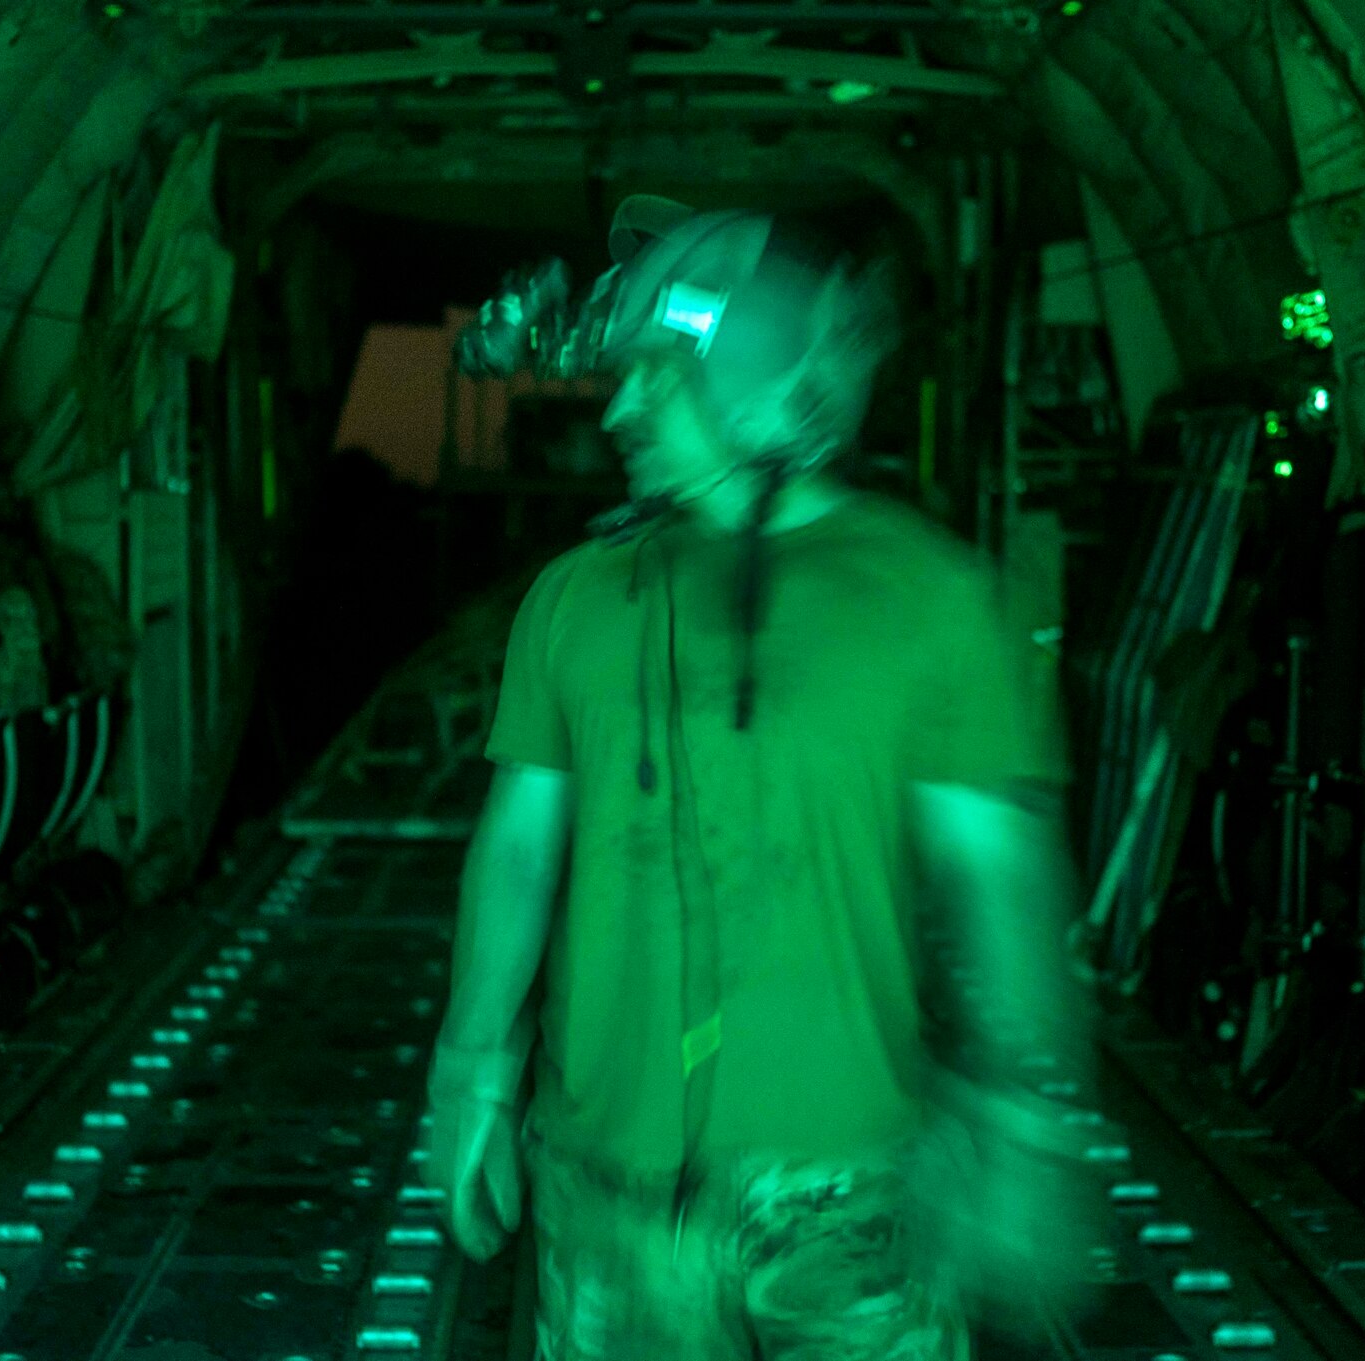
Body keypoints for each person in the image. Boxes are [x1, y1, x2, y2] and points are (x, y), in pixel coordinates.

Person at [426, 200, 1099, 1361]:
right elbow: (520, 847)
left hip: (849, 1194)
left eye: (655, 379)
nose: (618, 410)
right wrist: (470, 1068)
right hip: (606, 1186)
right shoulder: (574, 598)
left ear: (755, 381)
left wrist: (1026, 1121)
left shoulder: (924, 598)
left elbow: (997, 880)